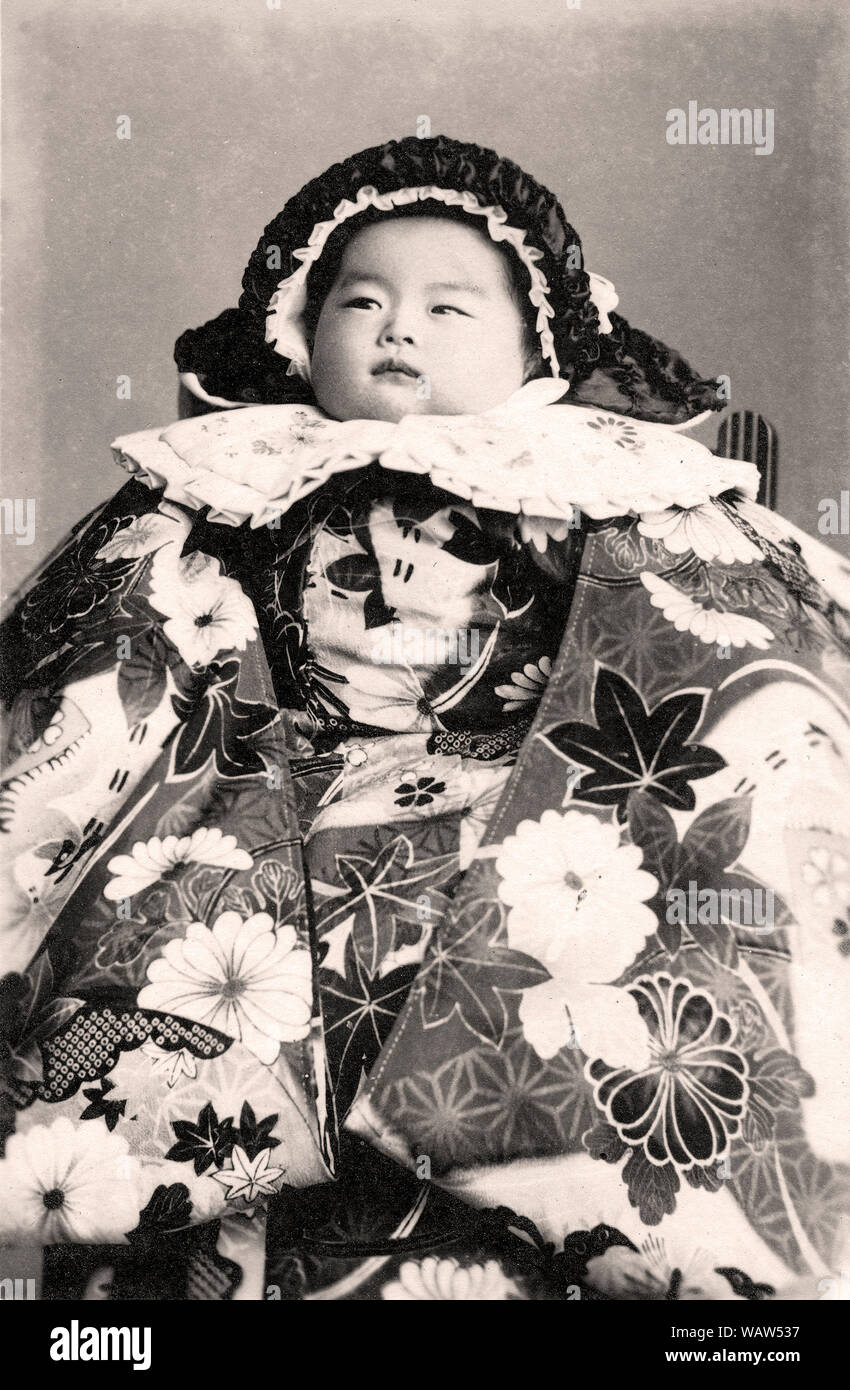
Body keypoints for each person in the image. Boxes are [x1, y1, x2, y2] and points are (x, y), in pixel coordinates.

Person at [2, 135, 849, 1301]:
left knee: (568, 995)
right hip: (270, 829)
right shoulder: (232, 481)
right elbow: (102, 654)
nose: (397, 329)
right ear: (298, 331)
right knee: (222, 1011)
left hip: (523, 830)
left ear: (536, 349)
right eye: (361, 301)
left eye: (447, 308)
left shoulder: (598, 481)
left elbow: (731, 647)